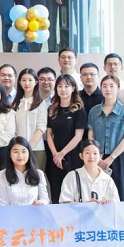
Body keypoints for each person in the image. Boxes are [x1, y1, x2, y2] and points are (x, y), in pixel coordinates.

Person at [87, 75, 124, 201]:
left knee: (121, 193)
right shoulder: (94, 111)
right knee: (98, 193)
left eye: (111, 86)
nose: (108, 89)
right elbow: (91, 135)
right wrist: (96, 155)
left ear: (118, 89)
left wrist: (111, 158)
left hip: (119, 158)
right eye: (104, 86)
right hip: (98, 158)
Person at [45, 74, 87, 203]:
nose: (63, 89)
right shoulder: (52, 109)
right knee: (56, 189)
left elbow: (78, 136)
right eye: (60, 86)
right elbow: (49, 134)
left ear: (73, 88)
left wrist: (62, 153)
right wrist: (55, 154)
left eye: (66, 86)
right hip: (55, 156)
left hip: (72, 155)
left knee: (73, 190)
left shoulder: (79, 110)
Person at [12, 68, 49, 170]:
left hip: (36, 149)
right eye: (23, 80)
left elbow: (41, 128)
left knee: (36, 177)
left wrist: (28, 147)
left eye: (30, 80)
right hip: (18, 150)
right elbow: (12, 128)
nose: (26, 83)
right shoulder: (15, 104)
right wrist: (20, 148)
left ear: (36, 82)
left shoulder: (41, 103)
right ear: (19, 82)